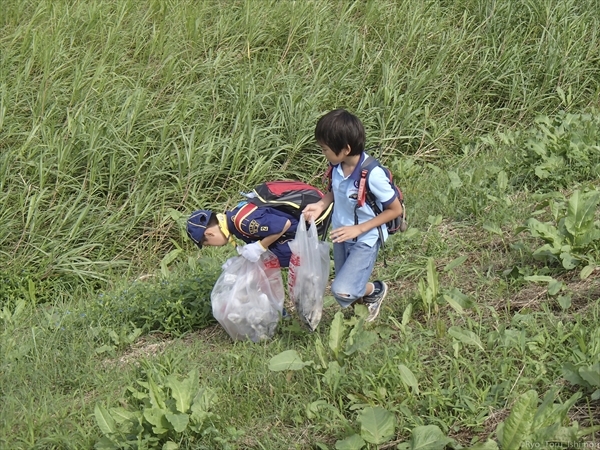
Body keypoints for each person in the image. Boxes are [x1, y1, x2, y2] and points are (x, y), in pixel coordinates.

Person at [302, 109, 404, 322]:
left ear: (346, 148)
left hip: (365, 238)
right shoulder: (337, 166)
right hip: (341, 234)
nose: (324, 153)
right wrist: (321, 204)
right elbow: (335, 191)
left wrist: (359, 229)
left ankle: (375, 290)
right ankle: (362, 312)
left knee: (343, 290)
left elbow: (395, 210)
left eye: (326, 149)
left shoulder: (372, 175)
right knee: (345, 288)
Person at [186, 205, 298, 268]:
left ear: (209, 234)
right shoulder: (235, 221)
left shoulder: (243, 223)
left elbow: (284, 224)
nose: (213, 246)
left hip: (301, 238)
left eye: (209, 244)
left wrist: (259, 247)